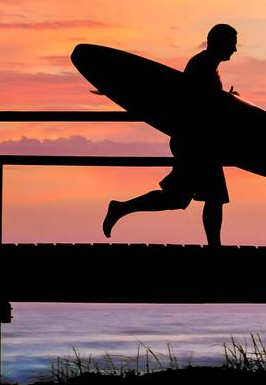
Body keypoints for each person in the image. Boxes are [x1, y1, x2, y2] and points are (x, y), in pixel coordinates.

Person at [102, 24, 239, 246]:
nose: (234, 49)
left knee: (180, 198)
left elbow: (204, 100)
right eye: (232, 43)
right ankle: (215, 248)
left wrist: (225, 99)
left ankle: (121, 208)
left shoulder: (206, 65)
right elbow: (196, 103)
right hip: (195, 143)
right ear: (219, 42)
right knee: (211, 197)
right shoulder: (202, 66)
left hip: (197, 141)